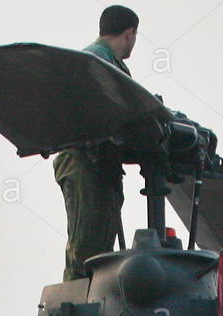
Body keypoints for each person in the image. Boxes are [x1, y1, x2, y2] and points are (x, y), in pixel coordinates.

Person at [54, 6, 140, 281]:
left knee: (100, 243)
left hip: (99, 165)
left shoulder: (108, 63)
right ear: (130, 34)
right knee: (86, 249)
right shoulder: (94, 61)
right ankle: (77, 305)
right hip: (83, 162)